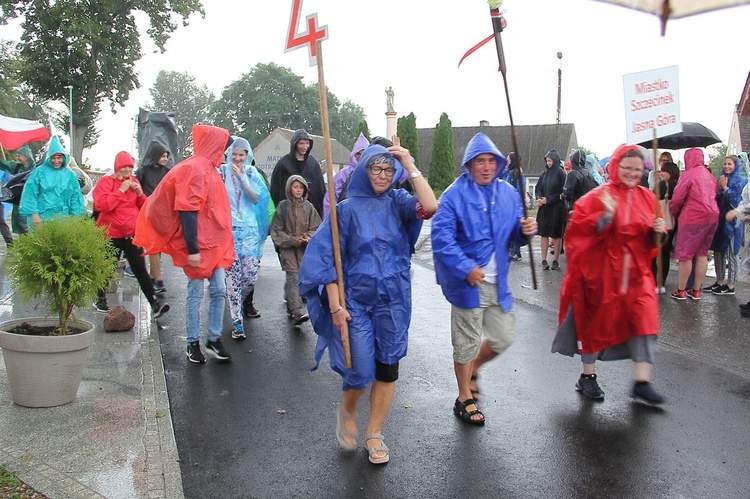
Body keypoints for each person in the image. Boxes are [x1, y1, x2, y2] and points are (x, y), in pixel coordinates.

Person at [298, 142, 437, 465]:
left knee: (388, 369)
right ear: (363, 170)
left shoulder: (400, 202)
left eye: (389, 169)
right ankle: (347, 408)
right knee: (360, 370)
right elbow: (328, 262)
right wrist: (335, 306)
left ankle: (374, 432)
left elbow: (430, 207)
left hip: (394, 302)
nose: (383, 175)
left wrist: (409, 163)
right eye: (376, 167)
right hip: (355, 304)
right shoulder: (345, 210)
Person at [432, 132, 537, 425]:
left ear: (500, 163)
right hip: (468, 285)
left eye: (492, 160)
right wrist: (466, 267)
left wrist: (526, 231)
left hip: (498, 283)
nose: (487, 167)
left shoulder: (508, 193)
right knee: (466, 342)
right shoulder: (453, 195)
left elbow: (516, 236)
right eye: (481, 161)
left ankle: (474, 367)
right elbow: (442, 239)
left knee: (503, 338)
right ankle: (464, 397)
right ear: (469, 164)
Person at [552, 145, 668, 405]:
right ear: (617, 166)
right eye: (627, 168)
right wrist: (605, 218)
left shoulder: (648, 198)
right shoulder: (597, 196)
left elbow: (652, 241)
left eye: (637, 169)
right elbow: (577, 234)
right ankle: (588, 376)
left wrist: (657, 231)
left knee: (645, 321)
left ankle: (642, 381)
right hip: (603, 274)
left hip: (637, 275)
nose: (632, 173)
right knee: (593, 322)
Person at [134, 125, 236, 364]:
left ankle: (213, 339)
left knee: (219, 289)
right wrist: (192, 248)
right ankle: (192, 342)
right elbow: (187, 209)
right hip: (201, 245)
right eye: (223, 148)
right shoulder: (196, 169)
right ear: (214, 146)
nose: (224, 154)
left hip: (215, 244)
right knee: (196, 293)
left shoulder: (209, 169)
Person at [92, 151, 169, 318]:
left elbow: (145, 207)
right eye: (124, 167)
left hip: (131, 233)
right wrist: (120, 190)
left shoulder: (134, 182)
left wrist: (140, 194)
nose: (127, 170)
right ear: (117, 168)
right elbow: (102, 206)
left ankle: (154, 303)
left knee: (140, 268)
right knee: (107, 267)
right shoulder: (106, 182)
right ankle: (100, 298)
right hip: (110, 233)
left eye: (129, 167)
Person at [220, 138, 272, 340]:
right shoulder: (222, 172)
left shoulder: (251, 173)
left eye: (242, 154)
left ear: (247, 156)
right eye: (235, 154)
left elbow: (256, 198)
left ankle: (237, 302)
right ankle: (236, 321)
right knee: (232, 279)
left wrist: (243, 178)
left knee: (250, 276)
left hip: (249, 230)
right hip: (229, 230)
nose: (238, 158)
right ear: (229, 154)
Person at [669, 148, 719, 301]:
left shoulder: (688, 175)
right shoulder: (709, 175)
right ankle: (696, 290)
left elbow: (677, 199)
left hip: (692, 217)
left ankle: (681, 290)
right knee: (702, 253)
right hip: (712, 216)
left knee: (685, 254)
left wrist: (673, 211)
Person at [271, 175, 321, 325]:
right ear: (289, 188)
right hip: (287, 248)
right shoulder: (283, 207)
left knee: (300, 277)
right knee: (293, 276)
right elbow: (276, 230)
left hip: (303, 249)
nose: (298, 190)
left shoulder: (309, 207)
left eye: (301, 187)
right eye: (295, 187)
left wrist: (308, 237)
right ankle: (296, 311)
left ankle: (290, 299)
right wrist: (292, 240)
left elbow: (316, 227)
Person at [704, 155, 747, 296]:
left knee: (731, 253)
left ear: (736, 165)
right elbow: (716, 198)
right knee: (718, 250)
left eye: (730, 164)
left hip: (733, 222)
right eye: (725, 163)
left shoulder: (741, 180)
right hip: (721, 220)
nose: (727, 166)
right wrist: (718, 189)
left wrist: (725, 188)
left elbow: (735, 199)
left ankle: (731, 284)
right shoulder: (722, 177)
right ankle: (720, 280)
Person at [19, 136, 85, 227]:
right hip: (41, 219)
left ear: (64, 158)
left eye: (59, 157)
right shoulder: (39, 172)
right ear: (49, 157)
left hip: (63, 220)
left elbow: (75, 197)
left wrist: (76, 218)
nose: (56, 161)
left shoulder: (70, 175)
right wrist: (34, 214)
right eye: (53, 157)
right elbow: (30, 194)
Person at [135, 141, 172, 294]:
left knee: (158, 247)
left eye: (166, 156)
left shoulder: (167, 171)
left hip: (162, 214)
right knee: (153, 246)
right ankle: (158, 279)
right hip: (147, 212)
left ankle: (153, 276)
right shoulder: (143, 171)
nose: (164, 159)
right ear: (155, 155)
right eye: (162, 156)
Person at [270, 129, 325, 218]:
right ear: (295, 144)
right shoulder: (283, 164)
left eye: (307, 143)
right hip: (288, 214)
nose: (304, 147)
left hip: (309, 214)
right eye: (301, 143)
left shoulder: (313, 164)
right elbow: (275, 191)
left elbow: (320, 191)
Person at [323, 133, 369, 219]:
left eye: (364, 153)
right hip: (344, 218)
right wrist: (330, 220)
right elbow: (330, 198)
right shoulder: (343, 174)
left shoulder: (373, 174)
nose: (360, 156)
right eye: (358, 153)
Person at [651, 161, 680, 293]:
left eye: (663, 171)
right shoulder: (679, 186)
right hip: (673, 223)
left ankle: (654, 281)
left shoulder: (662, 185)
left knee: (655, 253)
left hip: (660, 222)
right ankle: (662, 283)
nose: (661, 173)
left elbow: (651, 199)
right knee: (665, 254)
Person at [535, 149, 566, 270]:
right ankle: (543, 259)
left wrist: (549, 199)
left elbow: (563, 192)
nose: (548, 163)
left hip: (557, 208)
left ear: (555, 161)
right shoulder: (544, 175)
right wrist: (539, 198)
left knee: (556, 234)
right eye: (547, 161)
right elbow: (538, 189)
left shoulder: (561, 174)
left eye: (550, 161)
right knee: (544, 233)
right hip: (544, 208)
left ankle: (555, 260)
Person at [0, 144, 36, 235]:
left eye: (19, 155)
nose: (17, 157)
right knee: (20, 227)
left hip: (30, 201)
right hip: (18, 202)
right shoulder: (17, 167)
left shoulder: (36, 169)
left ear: (26, 156)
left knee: (29, 227)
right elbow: (5, 164)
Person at [506, 151, 525, 261]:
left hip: (513, 203)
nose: (507, 161)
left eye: (508, 160)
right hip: (518, 203)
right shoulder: (519, 171)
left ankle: (514, 251)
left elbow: (511, 189)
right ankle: (516, 251)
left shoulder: (513, 173)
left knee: (513, 226)